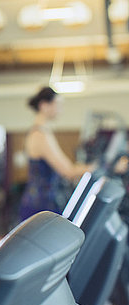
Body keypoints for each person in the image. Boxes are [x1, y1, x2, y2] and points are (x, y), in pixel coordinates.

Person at [18, 86, 95, 221]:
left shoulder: (43, 132)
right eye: (57, 104)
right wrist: (97, 167)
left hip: (45, 204)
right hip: (40, 208)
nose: (61, 109)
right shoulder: (40, 135)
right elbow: (68, 171)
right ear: (44, 106)